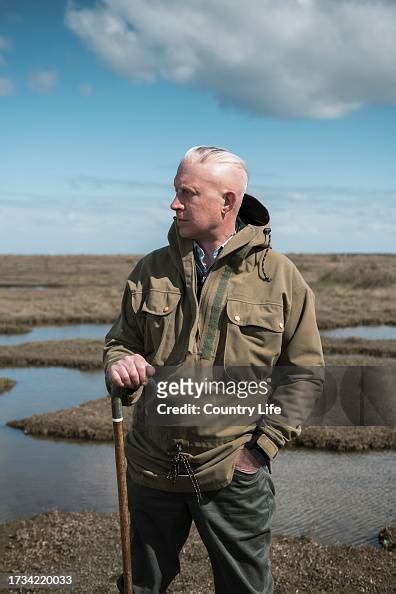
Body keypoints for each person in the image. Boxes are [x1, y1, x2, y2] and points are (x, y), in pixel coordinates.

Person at [104, 146, 324, 594]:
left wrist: (258, 452)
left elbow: (303, 374)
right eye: (175, 191)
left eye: (187, 193)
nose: (174, 203)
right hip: (151, 468)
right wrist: (119, 365)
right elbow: (120, 342)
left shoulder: (281, 277)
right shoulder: (150, 269)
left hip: (233, 473)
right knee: (141, 585)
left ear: (227, 202)